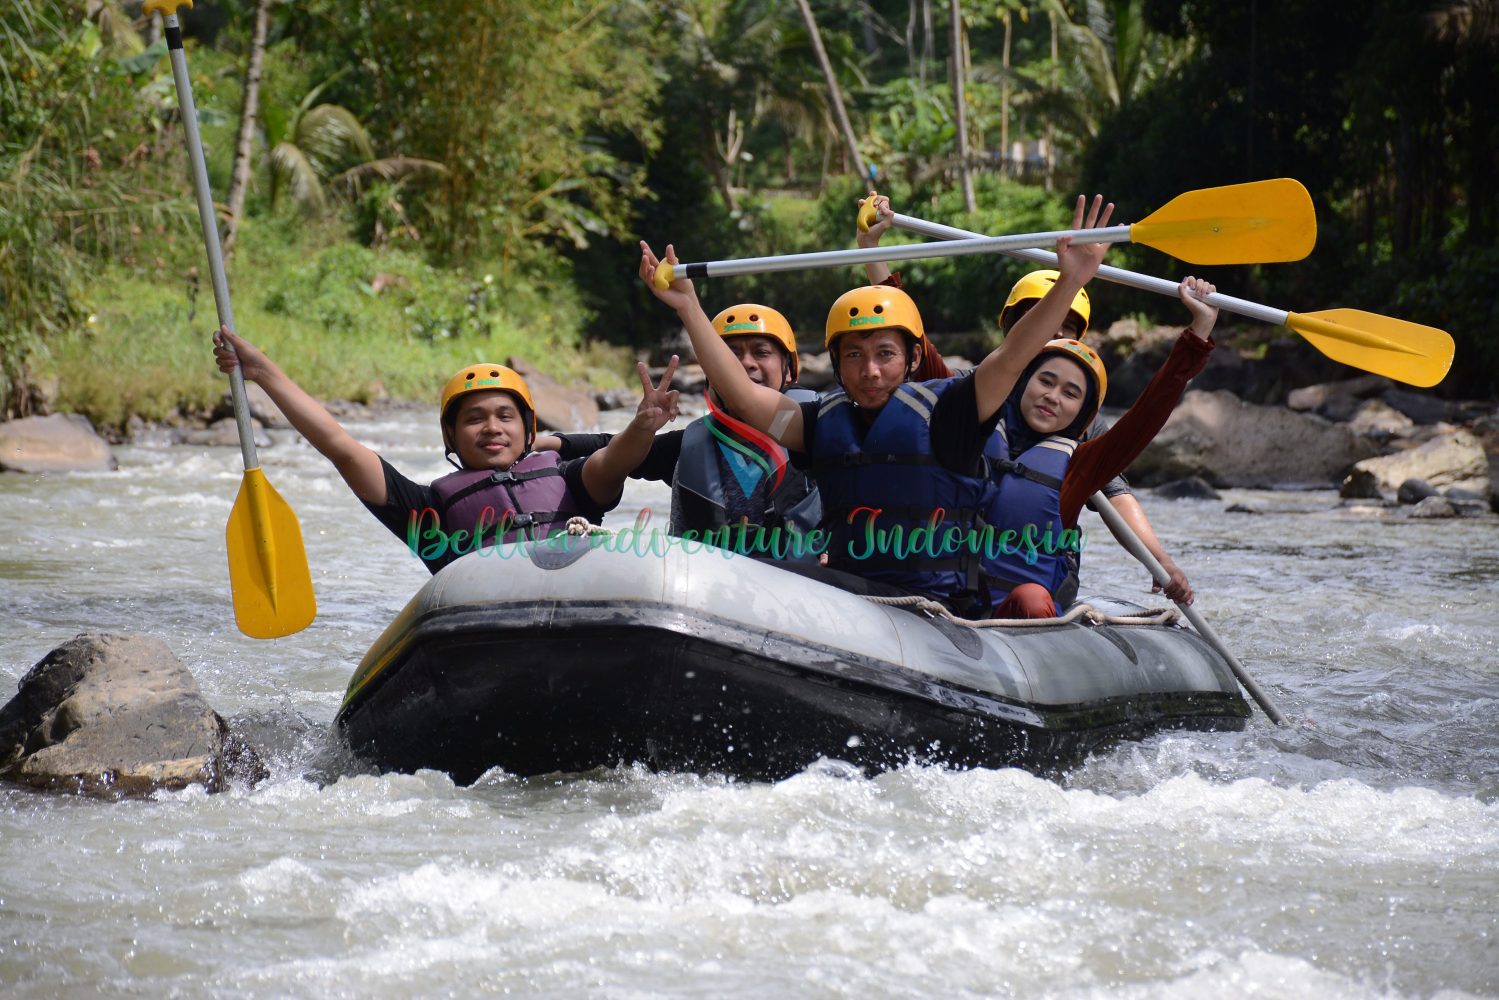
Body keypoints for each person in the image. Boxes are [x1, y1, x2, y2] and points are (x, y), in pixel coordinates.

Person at [640, 193, 1118, 613]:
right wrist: (689, 307)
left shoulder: (954, 411)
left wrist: (1070, 281)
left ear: (913, 359)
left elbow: (1014, 356)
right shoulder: (820, 422)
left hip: (935, 612)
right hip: (847, 599)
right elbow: (744, 398)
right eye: (855, 355)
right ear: (836, 362)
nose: (870, 371)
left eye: (885, 355)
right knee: (769, 573)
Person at [859, 192, 1195, 604]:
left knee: (1034, 597)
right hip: (951, 578)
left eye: (1062, 327)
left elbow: (1122, 486)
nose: (1048, 332)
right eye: (1035, 319)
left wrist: (1160, 561)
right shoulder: (973, 394)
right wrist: (872, 252)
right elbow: (915, 341)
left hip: (1031, 589)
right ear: (1010, 329)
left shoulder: (1084, 431)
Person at [210, 326, 680, 574]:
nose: (491, 427)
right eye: (474, 418)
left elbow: (617, 458)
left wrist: (643, 424)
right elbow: (342, 448)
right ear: (450, 437)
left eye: (504, 415)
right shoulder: (429, 510)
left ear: (529, 428)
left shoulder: (570, 482)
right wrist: (262, 372)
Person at [977, 276, 1219, 619]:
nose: (1052, 396)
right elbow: (905, 365)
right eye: (1039, 319)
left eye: (1071, 393)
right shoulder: (968, 406)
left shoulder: (1080, 457)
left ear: (1083, 412)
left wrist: (1199, 331)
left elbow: (1145, 419)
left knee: (1031, 597)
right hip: (953, 588)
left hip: (1028, 604)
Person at [537, 305, 821, 555]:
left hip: (798, 583)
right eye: (730, 356)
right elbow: (611, 446)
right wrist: (555, 443)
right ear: (715, 372)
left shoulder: (817, 431)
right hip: (709, 591)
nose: (745, 363)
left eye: (761, 352)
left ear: (789, 371)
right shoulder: (692, 444)